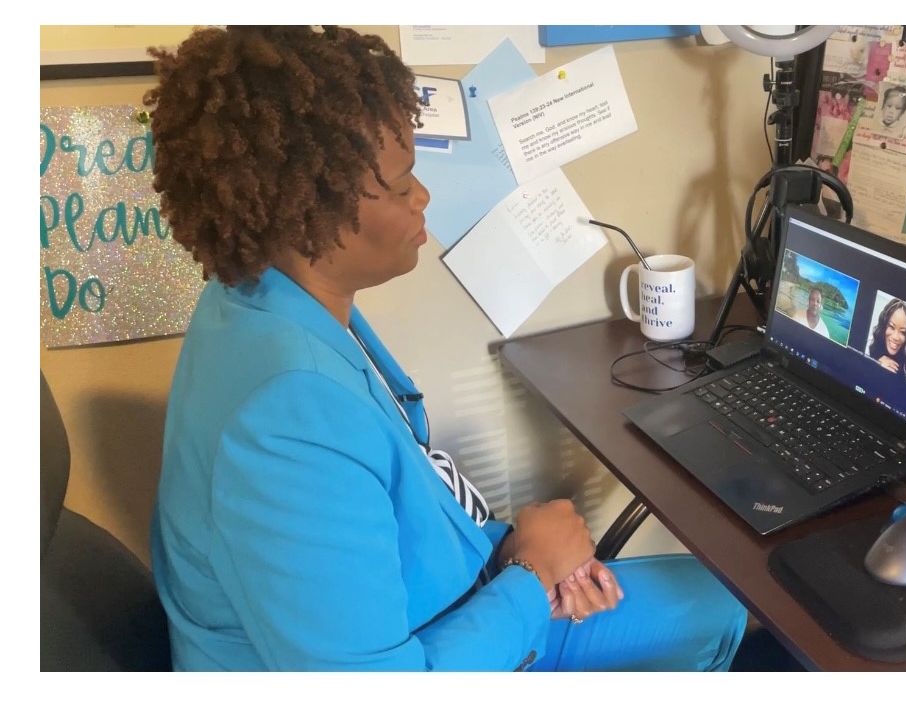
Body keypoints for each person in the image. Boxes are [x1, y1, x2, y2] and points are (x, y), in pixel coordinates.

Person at [145, 26, 745, 672]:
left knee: (716, 603)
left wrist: (511, 553)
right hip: (420, 653)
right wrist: (531, 575)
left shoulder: (256, 300)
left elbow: (404, 497)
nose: (423, 196)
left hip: (451, 596)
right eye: (401, 184)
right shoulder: (286, 419)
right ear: (307, 211)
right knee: (718, 612)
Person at [867, 298, 906, 377]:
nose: (895, 337)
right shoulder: (867, 346)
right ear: (884, 326)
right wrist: (876, 364)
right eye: (891, 327)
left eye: (903, 332)